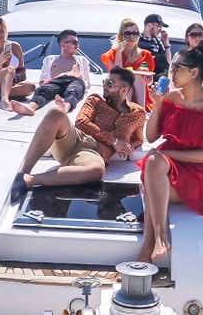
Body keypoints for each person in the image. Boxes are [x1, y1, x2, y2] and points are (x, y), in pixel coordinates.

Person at [137, 38, 203, 262]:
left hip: (199, 175)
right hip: (166, 168)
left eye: (177, 68)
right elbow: (151, 137)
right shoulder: (172, 98)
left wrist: (168, 154)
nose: (171, 71)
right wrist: (157, 104)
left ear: (193, 73)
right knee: (153, 163)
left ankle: (152, 244)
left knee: (154, 164)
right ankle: (157, 240)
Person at [10, 67, 146, 204]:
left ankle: (29, 180)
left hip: (94, 153)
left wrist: (128, 147)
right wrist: (114, 141)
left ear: (124, 90)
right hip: (74, 139)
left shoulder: (138, 114)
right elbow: (81, 122)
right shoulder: (95, 99)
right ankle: (22, 173)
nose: (104, 85)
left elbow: (138, 139)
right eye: (105, 81)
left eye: (109, 84)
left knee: (97, 171)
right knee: (55, 113)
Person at [11, 29, 91, 115]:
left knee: (74, 90)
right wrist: (61, 76)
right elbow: (42, 81)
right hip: (55, 84)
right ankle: (31, 107)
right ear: (63, 45)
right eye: (74, 43)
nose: (77, 45)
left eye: (78, 43)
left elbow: (87, 84)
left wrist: (77, 76)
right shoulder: (49, 60)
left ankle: (66, 107)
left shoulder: (82, 60)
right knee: (42, 90)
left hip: (75, 81)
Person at [101, 19, 155, 110]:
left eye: (135, 33)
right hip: (119, 95)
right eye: (128, 33)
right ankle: (125, 111)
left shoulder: (146, 55)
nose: (132, 36)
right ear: (121, 36)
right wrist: (119, 52)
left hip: (141, 96)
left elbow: (149, 82)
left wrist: (146, 78)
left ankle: (140, 113)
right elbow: (115, 75)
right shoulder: (112, 54)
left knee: (138, 78)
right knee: (126, 80)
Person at [138, 14, 172, 81]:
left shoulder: (158, 42)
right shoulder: (137, 39)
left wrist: (166, 45)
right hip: (140, 75)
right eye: (158, 26)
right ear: (149, 26)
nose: (160, 30)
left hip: (155, 78)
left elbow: (167, 63)